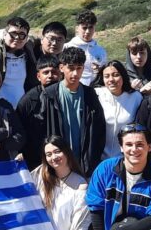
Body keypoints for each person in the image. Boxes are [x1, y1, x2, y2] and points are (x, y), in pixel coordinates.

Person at [32, 137, 90, 230]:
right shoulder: (40, 175)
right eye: (48, 154)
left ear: (66, 152)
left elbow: (80, 226)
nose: (53, 157)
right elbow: (20, 187)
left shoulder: (80, 185)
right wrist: (18, 166)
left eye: (57, 152)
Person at [40, 47, 106, 176]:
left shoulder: (90, 94)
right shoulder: (50, 95)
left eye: (79, 68)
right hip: (57, 163)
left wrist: (93, 158)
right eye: (71, 68)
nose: (75, 73)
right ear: (61, 68)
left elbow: (99, 129)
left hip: (84, 163)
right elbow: (42, 129)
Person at [15, 54, 62, 170]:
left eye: (54, 72)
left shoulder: (66, 96)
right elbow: (19, 129)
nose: (51, 76)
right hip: (35, 158)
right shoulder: (28, 100)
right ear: (38, 76)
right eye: (46, 72)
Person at [96, 60, 143, 160]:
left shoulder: (135, 97)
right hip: (99, 157)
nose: (111, 79)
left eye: (116, 75)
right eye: (107, 76)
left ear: (123, 76)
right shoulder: (97, 94)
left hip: (125, 157)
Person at [0, 16, 39, 108]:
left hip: (22, 107)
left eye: (22, 34)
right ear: (5, 34)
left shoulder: (28, 50)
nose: (17, 38)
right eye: (13, 33)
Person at [65, 10, 107, 86]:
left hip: (95, 89)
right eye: (84, 28)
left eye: (91, 27)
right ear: (77, 28)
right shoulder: (66, 47)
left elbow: (105, 74)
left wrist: (100, 70)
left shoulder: (101, 51)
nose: (88, 31)